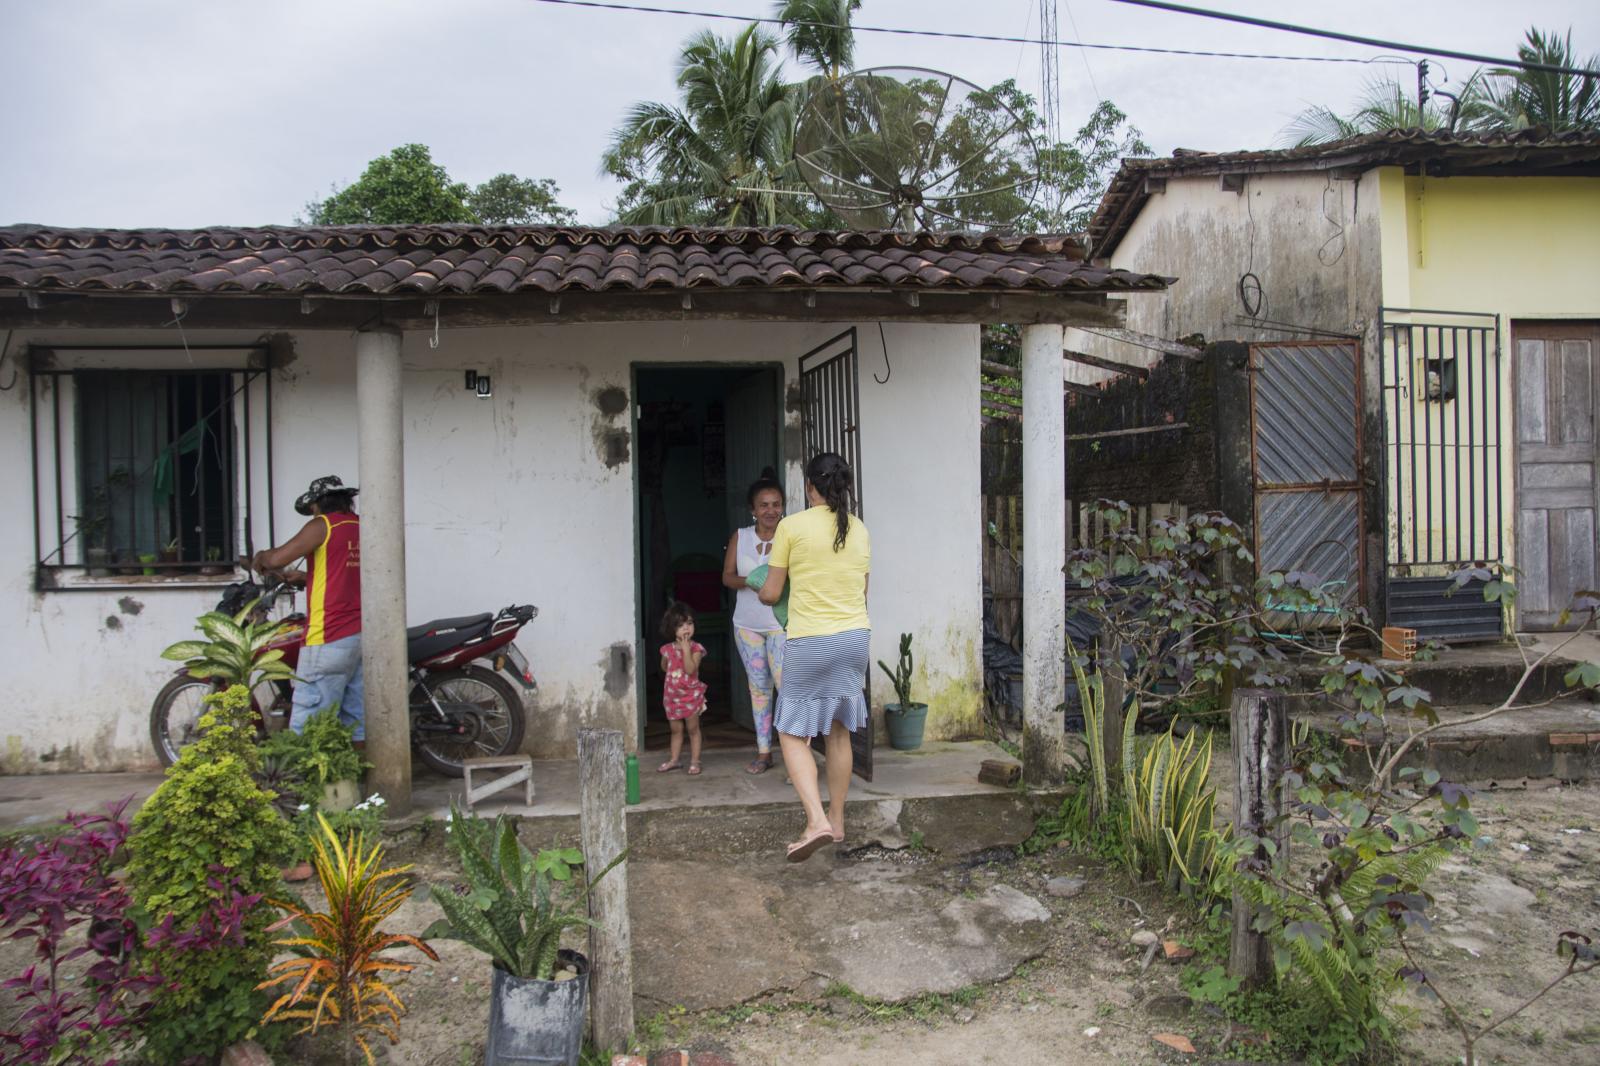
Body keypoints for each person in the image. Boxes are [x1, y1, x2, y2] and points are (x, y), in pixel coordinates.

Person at [756, 452, 870, 862]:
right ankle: (836, 822)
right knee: (839, 730)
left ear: (809, 487)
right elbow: (862, 590)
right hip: (855, 637)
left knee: (790, 732)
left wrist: (762, 588)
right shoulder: (858, 528)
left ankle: (816, 820)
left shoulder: (792, 526)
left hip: (811, 639)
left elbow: (770, 591)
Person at [251, 475, 364, 743]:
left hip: (328, 635)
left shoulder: (323, 525)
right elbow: (345, 573)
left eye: (312, 507)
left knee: (307, 721)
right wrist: (305, 578)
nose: (312, 512)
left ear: (319, 504)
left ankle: (307, 783)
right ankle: (357, 780)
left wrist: (261, 557)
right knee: (355, 721)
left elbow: (278, 558)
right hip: (359, 636)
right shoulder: (359, 526)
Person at [722, 469, 787, 775]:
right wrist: (752, 580)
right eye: (764, 505)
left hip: (780, 624)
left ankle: (794, 754)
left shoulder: (790, 537)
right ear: (753, 510)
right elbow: (727, 577)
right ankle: (764, 752)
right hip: (746, 624)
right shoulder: (741, 536)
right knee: (758, 688)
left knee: (786, 686)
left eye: (776, 504)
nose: (770, 510)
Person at [657, 600, 707, 776]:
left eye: (690, 623)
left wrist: (686, 650)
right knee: (675, 730)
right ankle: (674, 760)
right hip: (672, 696)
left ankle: (695, 761)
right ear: (672, 629)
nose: (686, 628)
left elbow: (690, 669)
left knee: (693, 729)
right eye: (680, 625)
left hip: (690, 697)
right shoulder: (667, 649)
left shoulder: (696, 649)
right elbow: (664, 666)